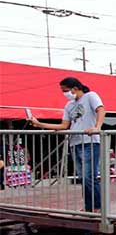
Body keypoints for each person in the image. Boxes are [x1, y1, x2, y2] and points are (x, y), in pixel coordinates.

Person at [30, 77, 105, 212]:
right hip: (75, 143)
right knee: (82, 178)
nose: (65, 93)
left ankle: (97, 206)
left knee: (89, 177)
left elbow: (101, 109)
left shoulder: (90, 96)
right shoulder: (69, 105)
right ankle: (89, 206)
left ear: (75, 88)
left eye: (65, 90)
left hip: (89, 142)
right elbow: (64, 125)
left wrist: (97, 127)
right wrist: (39, 124)